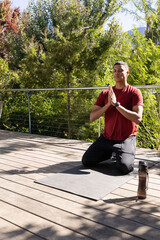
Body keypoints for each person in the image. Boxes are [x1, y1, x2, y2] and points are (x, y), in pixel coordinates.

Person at [82, 61, 143, 174]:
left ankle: (124, 151)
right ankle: (111, 152)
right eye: (115, 71)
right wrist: (108, 104)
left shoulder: (134, 93)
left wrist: (116, 105)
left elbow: (138, 118)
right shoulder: (105, 93)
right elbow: (92, 117)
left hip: (126, 138)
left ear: (127, 73)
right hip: (107, 138)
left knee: (125, 167)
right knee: (87, 161)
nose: (117, 73)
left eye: (120, 70)